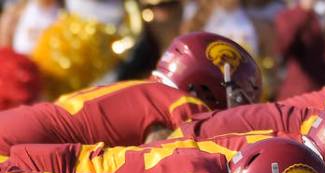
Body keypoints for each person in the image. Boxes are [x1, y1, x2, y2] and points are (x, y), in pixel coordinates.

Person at [0, 31, 260, 156]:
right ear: (208, 84)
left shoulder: (144, 91)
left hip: (15, 132)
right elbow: (161, 170)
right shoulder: (180, 105)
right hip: (18, 152)